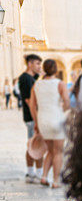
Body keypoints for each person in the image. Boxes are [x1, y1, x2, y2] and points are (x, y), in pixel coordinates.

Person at [30, 59, 70, 188]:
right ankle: (56, 181)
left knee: (50, 151)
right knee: (58, 151)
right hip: (57, 118)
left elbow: (32, 106)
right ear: (55, 69)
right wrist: (63, 111)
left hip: (43, 120)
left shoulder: (37, 85)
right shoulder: (60, 83)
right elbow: (67, 102)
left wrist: (36, 122)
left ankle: (44, 177)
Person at [19, 54, 43, 183]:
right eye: (37, 64)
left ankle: (32, 172)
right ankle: (36, 173)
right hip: (32, 117)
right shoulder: (26, 79)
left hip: (32, 117)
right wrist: (37, 121)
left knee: (33, 144)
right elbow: (29, 101)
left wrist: (40, 73)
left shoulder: (30, 78)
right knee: (36, 145)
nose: (40, 66)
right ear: (30, 64)